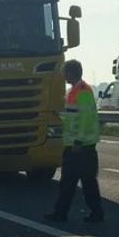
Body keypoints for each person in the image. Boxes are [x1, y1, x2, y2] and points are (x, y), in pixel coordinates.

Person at [45, 59, 104, 223]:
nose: (64, 77)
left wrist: (78, 141)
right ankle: (62, 213)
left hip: (81, 146)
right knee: (72, 182)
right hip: (76, 145)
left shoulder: (83, 91)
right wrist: (61, 116)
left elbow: (85, 119)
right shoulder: (74, 91)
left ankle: (88, 213)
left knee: (83, 182)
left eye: (65, 73)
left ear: (71, 73)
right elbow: (75, 117)